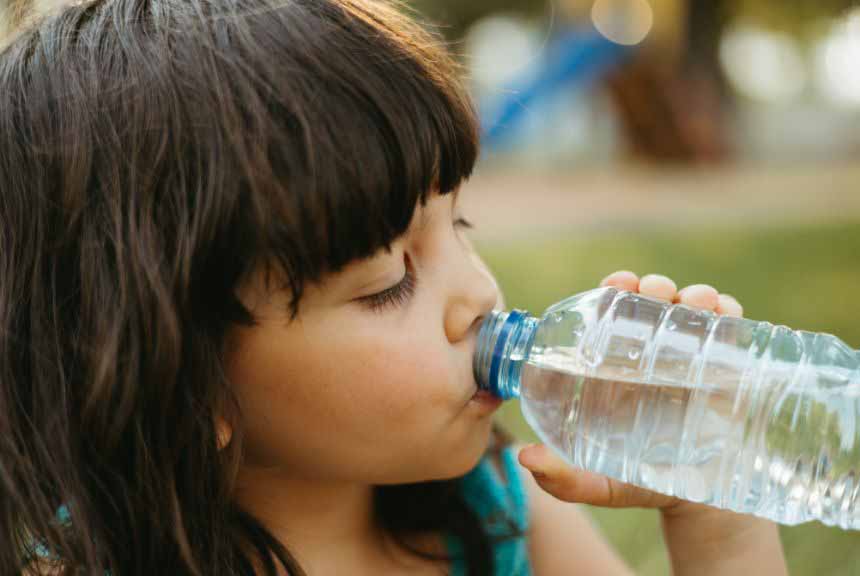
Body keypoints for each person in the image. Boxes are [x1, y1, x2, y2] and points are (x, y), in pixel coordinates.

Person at [0, 0, 788, 574]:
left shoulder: (502, 516)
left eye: (461, 226)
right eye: (387, 279)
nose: (478, 294)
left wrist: (713, 509)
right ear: (181, 379)